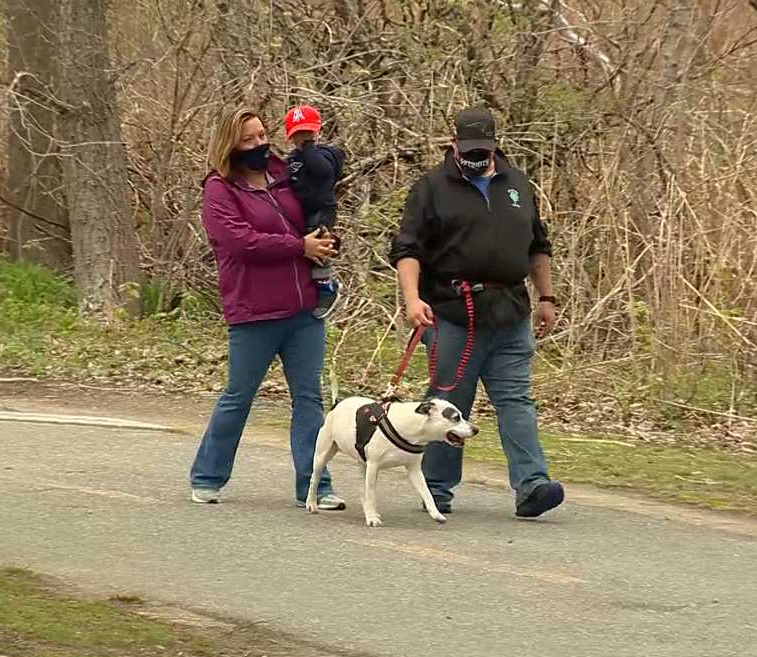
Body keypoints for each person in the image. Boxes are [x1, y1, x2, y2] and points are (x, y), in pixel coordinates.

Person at [388, 106, 564, 518]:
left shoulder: (517, 184)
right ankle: (436, 488)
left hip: (510, 311)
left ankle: (532, 485)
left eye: (482, 149)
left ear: (494, 145)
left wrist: (546, 297)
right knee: (448, 404)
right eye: (467, 148)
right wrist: (412, 300)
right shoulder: (432, 187)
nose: (474, 155)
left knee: (516, 400)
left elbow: (538, 246)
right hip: (453, 312)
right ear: (453, 145)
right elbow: (407, 249)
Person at [189, 107, 345, 511]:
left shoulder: (285, 174)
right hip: (254, 311)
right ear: (230, 145)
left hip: (303, 310)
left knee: (309, 399)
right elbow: (242, 242)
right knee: (239, 396)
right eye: (249, 139)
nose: (260, 144)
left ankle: (314, 485)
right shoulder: (219, 190)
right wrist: (299, 247)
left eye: (262, 135)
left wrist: (322, 238)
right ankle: (207, 476)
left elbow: (311, 209)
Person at [284, 104, 346, 319]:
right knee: (299, 246)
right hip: (299, 212)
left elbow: (323, 173)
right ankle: (303, 286)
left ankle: (326, 286)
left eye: (307, 133)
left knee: (319, 242)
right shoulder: (292, 160)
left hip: (322, 210)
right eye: (298, 135)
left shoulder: (328, 154)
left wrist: (309, 147)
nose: (302, 138)